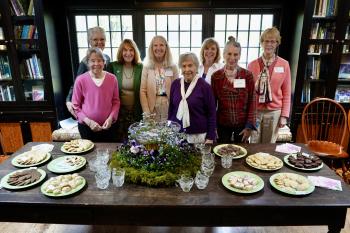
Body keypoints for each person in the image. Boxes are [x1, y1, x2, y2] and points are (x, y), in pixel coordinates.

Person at [247, 27, 291, 143]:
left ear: (277, 43)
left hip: (274, 112)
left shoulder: (284, 64)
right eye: (266, 41)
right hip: (256, 111)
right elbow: (249, 93)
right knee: (254, 143)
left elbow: (287, 92)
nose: (269, 44)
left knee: (269, 145)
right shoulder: (252, 65)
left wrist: (284, 116)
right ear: (262, 42)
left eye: (273, 41)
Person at [211, 36, 256, 143]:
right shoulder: (216, 76)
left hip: (242, 125)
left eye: (235, 54)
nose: (232, 57)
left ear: (239, 56)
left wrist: (249, 125)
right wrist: (213, 126)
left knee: (241, 152)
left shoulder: (247, 75)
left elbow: (252, 101)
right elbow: (212, 104)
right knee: (222, 152)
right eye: (229, 54)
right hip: (222, 124)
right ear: (224, 54)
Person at [72, 47, 120, 142]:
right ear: (88, 63)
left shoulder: (112, 79)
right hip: (87, 128)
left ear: (104, 62)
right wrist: (88, 121)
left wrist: (111, 118)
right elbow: (76, 106)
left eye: (99, 60)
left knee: (109, 155)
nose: (96, 64)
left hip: (109, 127)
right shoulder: (80, 80)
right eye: (92, 61)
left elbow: (116, 102)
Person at [168, 52, 216, 144]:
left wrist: (210, 137)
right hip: (177, 134)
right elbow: (171, 109)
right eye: (184, 66)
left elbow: (211, 114)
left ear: (196, 67)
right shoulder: (175, 84)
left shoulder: (205, 87)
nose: (187, 69)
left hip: (199, 135)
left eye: (190, 65)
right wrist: (169, 129)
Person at [66, 26, 111, 118]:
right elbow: (76, 83)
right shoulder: (85, 62)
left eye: (102, 39)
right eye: (95, 39)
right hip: (90, 108)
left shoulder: (107, 58)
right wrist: (69, 100)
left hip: (106, 107)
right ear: (89, 42)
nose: (99, 42)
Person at [107, 39, 143, 142]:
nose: (128, 53)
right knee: (120, 142)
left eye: (131, 50)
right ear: (121, 52)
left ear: (135, 52)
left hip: (136, 111)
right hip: (119, 113)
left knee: (136, 142)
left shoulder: (141, 67)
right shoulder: (113, 66)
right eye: (125, 50)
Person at [140, 35, 179, 122]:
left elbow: (177, 90)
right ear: (151, 48)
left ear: (166, 47)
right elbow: (143, 91)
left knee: (168, 134)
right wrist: (146, 112)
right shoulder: (146, 67)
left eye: (161, 45)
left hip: (169, 107)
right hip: (151, 108)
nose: (158, 48)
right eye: (155, 45)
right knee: (153, 134)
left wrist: (175, 110)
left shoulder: (173, 66)